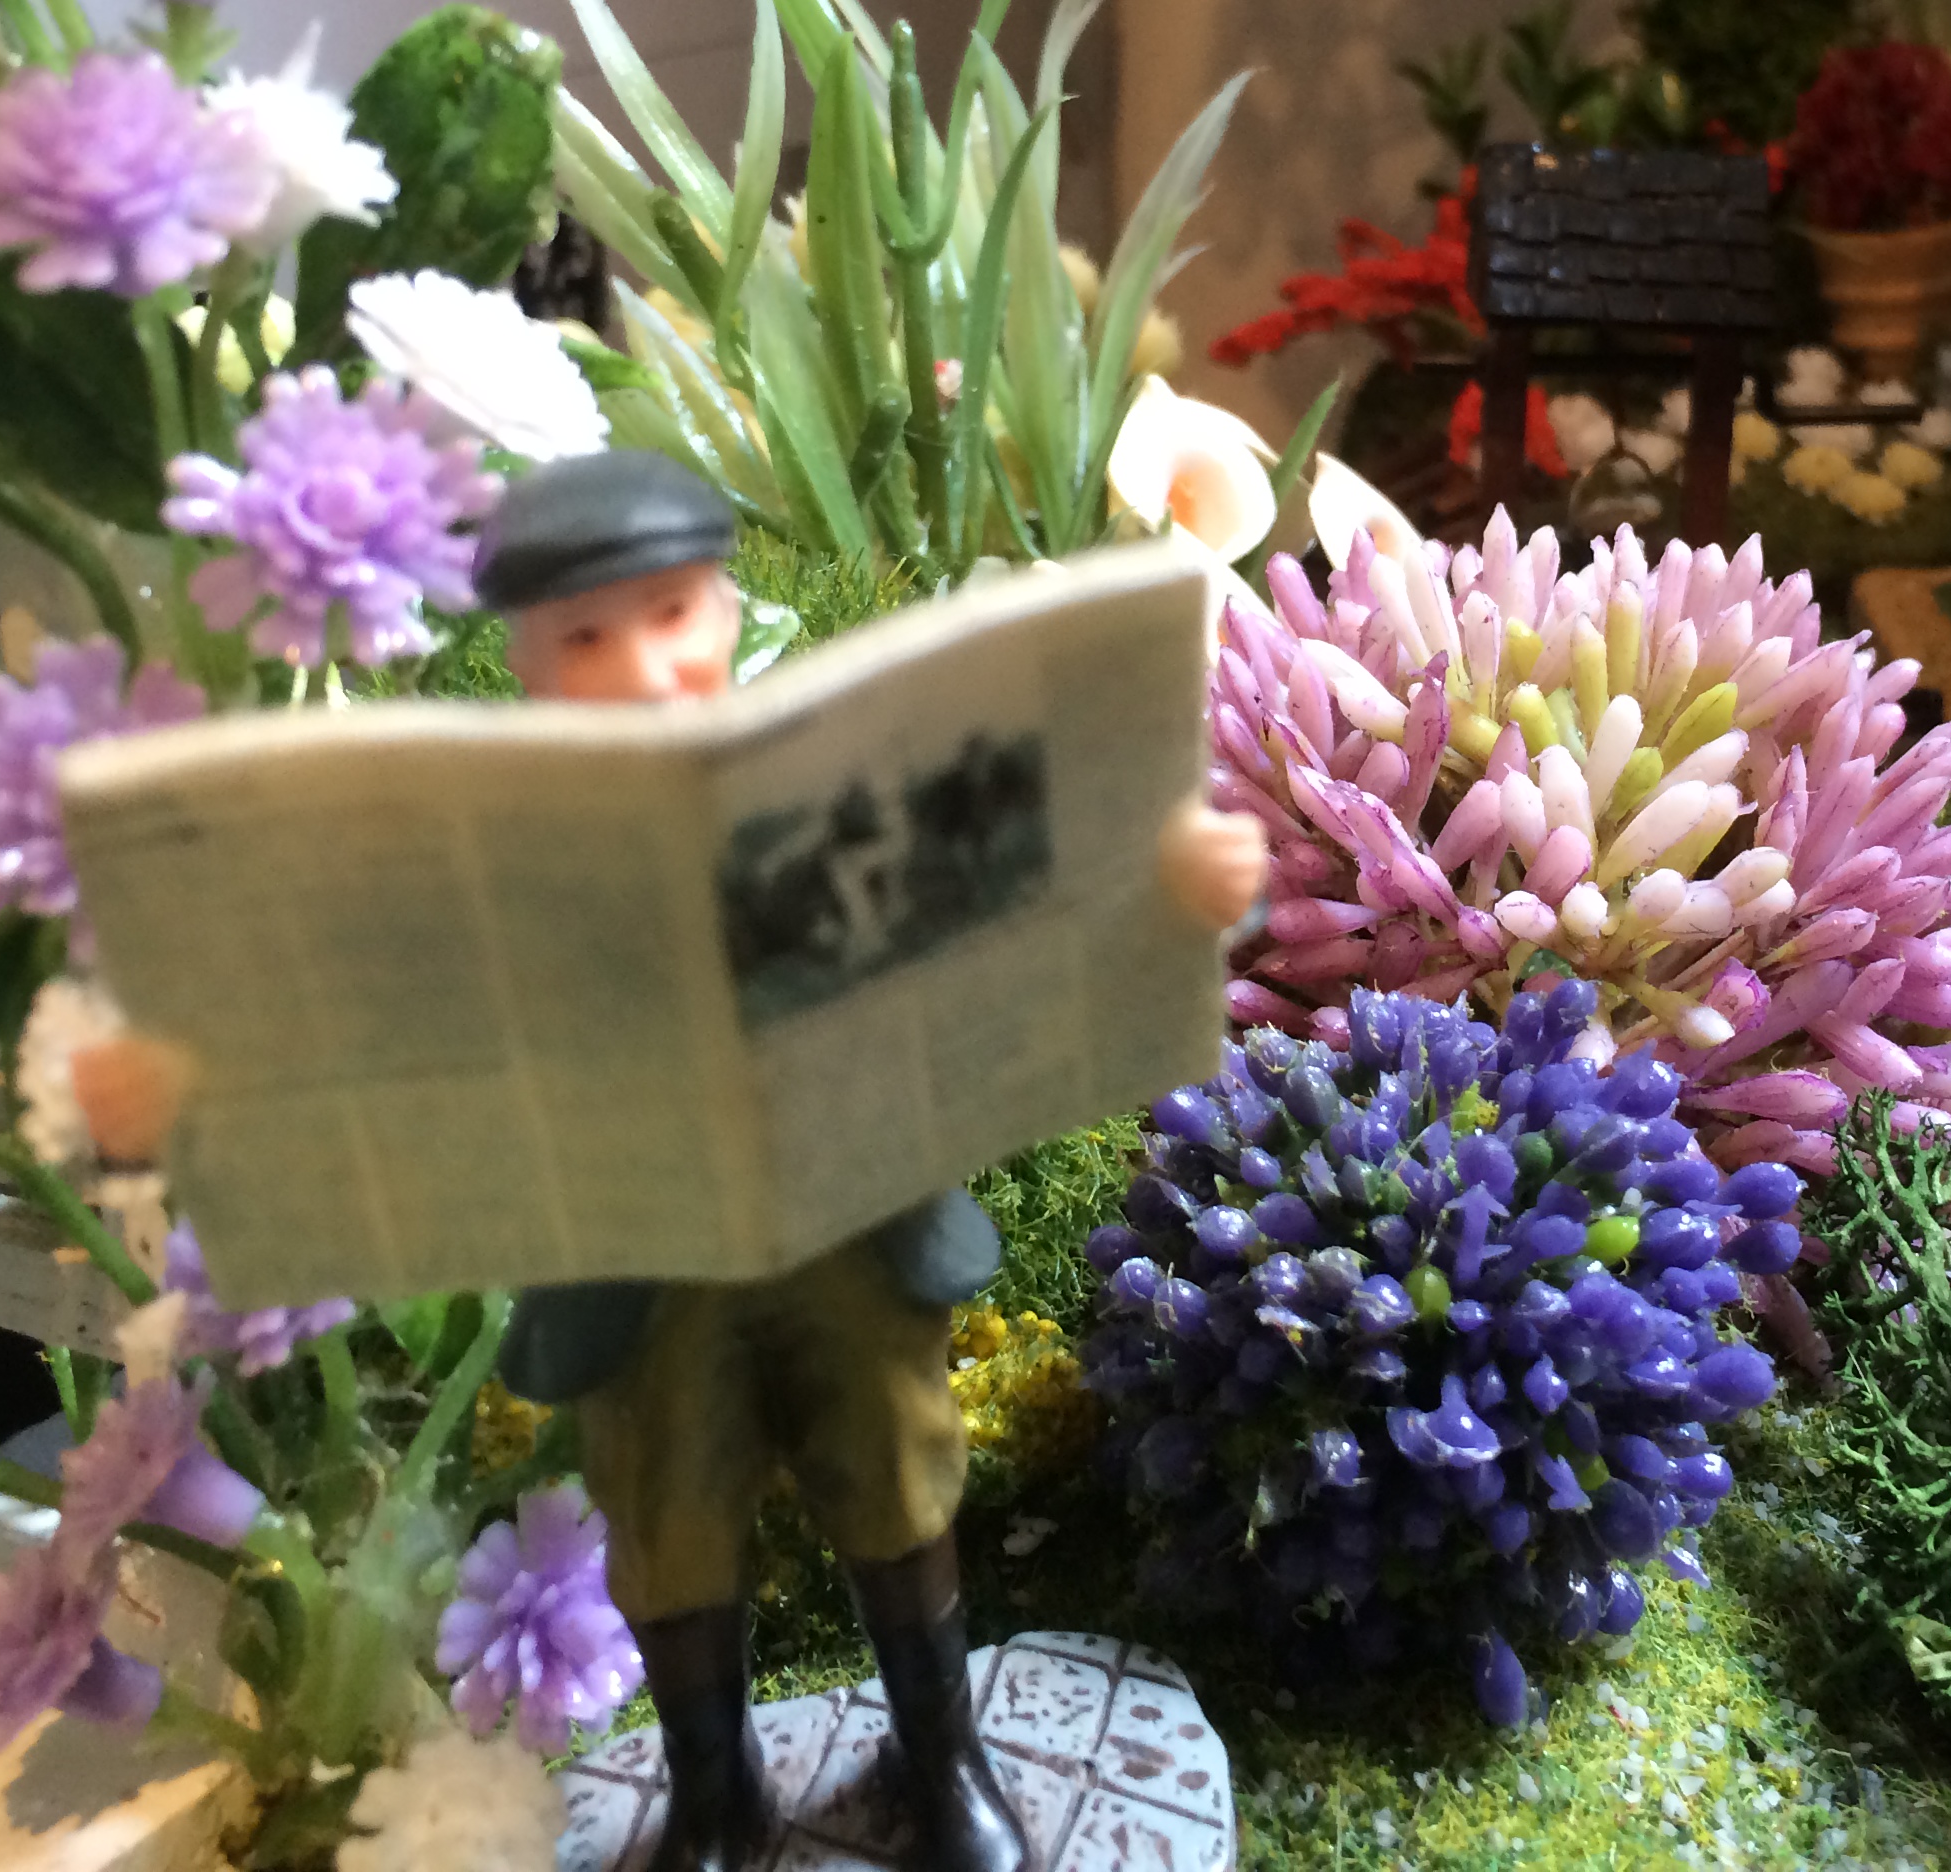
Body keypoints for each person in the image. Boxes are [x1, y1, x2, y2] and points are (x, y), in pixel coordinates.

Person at [75, 449, 1267, 1872]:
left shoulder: (827, 793)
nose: (643, 667)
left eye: (673, 615)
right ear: (524, 659)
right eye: (587, 637)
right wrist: (185, 1082)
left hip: (855, 1225)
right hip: (636, 1266)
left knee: (896, 1476)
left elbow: (1018, 902)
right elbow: (364, 1026)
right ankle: (715, 1793)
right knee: (670, 1520)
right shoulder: (493, 867)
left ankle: (940, 1754)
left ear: (726, 609)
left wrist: (1176, 887)